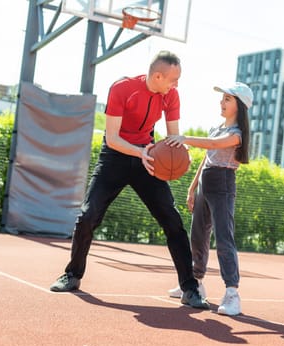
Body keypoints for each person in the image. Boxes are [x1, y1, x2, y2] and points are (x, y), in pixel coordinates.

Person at [49, 50, 209, 310]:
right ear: (157, 76)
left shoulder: (171, 96)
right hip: (116, 156)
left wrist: (180, 153)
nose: (176, 84)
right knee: (88, 215)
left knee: (172, 220)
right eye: (173, 79)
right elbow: (112, 138)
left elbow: (172, 137)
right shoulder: (123, 88)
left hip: (148, 157)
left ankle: (189, 289)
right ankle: (73, 274)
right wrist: (140, 152)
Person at [165, 82, 253, 316]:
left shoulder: (236, 134)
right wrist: (193, 188)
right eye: (222, 98)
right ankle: (196, 283)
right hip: (206, 180)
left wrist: (183, 138)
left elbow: (213, 145)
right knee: (198, 235)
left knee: (224, 239)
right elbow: (207, 157)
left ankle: (232, 293)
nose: (221, 102)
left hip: (223, 182)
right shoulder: (216, 127)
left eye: (227, 99)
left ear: (240, 106)